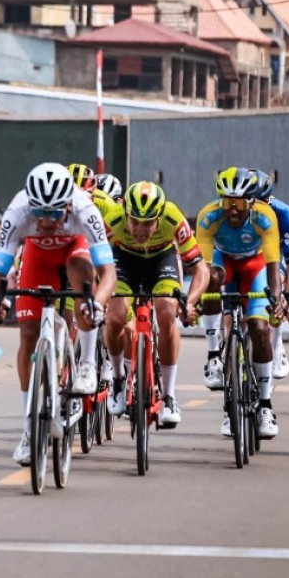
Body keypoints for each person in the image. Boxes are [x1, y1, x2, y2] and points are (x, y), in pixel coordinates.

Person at [0, 162, 116, 466]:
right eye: (39, 213)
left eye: (54, 213)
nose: (45, 221)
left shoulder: (86, 210)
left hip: (75, 249)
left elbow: (107, 272)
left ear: (68, 204)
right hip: (37, 257)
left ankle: (85, 364)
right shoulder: (18, 211)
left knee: (82, 287)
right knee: (28, 333)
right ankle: (29, 432)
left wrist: (96, 301)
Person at [98, 182, 209, 426]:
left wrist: (189, 303)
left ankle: (169, 395)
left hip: (161, 260)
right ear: (125, 213)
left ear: (159, 217)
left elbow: (201, 269)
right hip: (124, 261)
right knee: (115, 317)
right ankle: (118, 378)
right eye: (135, 221)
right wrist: (100, 297)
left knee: (167, 312)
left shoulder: (173, 218)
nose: (140, 229)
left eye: (148, 223)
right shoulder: (112, 220)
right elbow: (93, 261)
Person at [196, 167, 285, 438]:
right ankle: (214, 356)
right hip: (224, 264)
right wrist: (195, 299)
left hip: (255, 266)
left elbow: (272, 267)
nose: (232, 210)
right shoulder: (208, 217)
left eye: (238, 203)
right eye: (226, 202)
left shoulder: (265, 217)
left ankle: (265, 406)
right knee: (210, 281)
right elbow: (202, 268)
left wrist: (276, 298)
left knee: (259, 329)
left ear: (252, 202)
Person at [248, 170, 289, 380]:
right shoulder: (232, 210)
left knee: (277, 284)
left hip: (273, 258)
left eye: (262, 202)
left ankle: (276, 343)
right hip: (242, 257)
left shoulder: (283, 213)